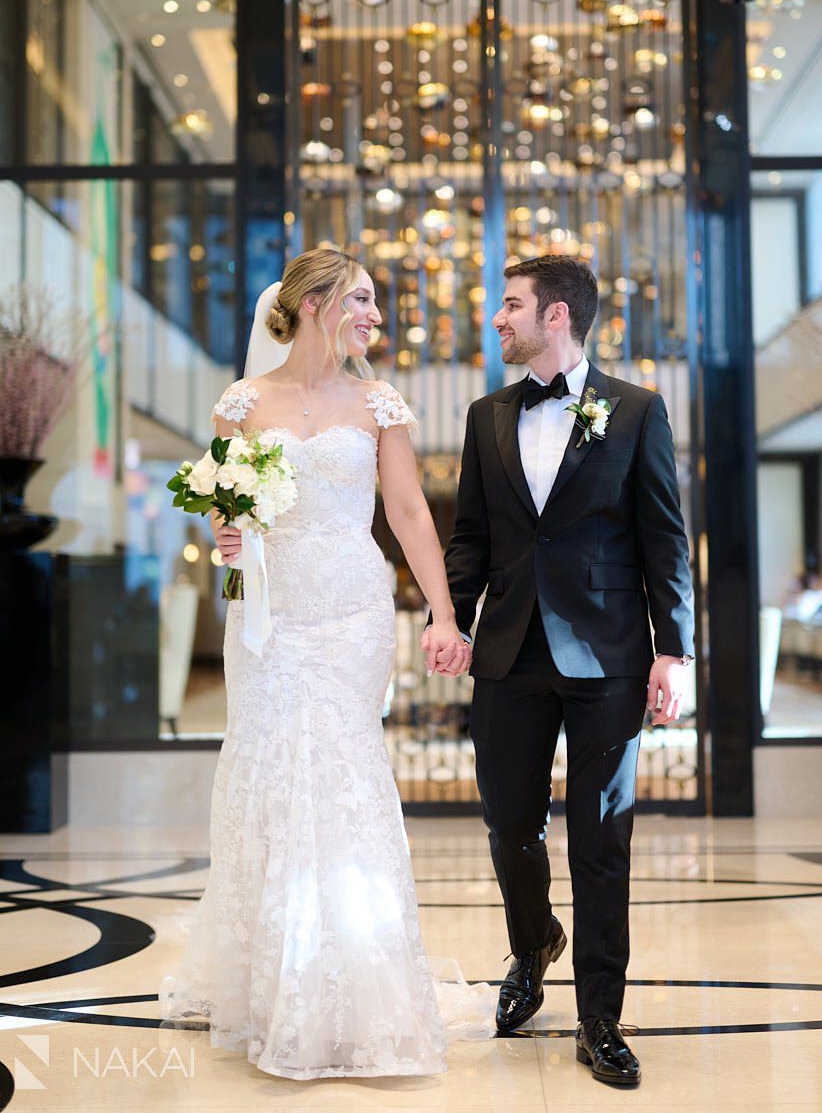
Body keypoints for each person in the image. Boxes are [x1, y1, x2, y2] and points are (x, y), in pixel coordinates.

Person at [159, 248, 479, 1079]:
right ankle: (276, 980)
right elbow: (227, 514)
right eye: (363, 298)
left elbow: (407, 511)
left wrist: (444, 611)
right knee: (270, 773)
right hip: (268, 615)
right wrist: (226, 535)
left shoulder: (378, 403)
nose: (376, 315)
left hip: (351, 612)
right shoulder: (243, 402)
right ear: (313, 303)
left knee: (341, 769)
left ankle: (358, 982)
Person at [435, 254, 695, 1088]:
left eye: (510, 306)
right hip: (509, 653)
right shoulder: (485, 416)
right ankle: (532, 942)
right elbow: (470, 533)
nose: (498, 320)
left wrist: (674, 649)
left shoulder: (638, 411)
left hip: (611, 658)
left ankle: (600, 1018)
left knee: (601, 841)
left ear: (556, 317)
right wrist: (452, 617)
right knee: (511, 826)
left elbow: (665, 539)